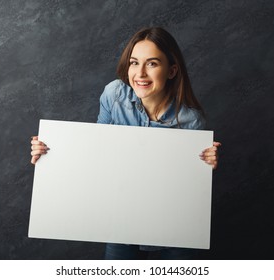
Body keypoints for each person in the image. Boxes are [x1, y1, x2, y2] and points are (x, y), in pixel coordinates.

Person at [30, 27, 221, 259]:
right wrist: (51, 153)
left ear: (171, 70)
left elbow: (189, 191)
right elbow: (95, 151)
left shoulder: (192, 120)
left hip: (172, 227)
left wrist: (206, 164)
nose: (140, 73)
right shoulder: (114, 95)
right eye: (134, 62)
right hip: (121, 222)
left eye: (152, 64)